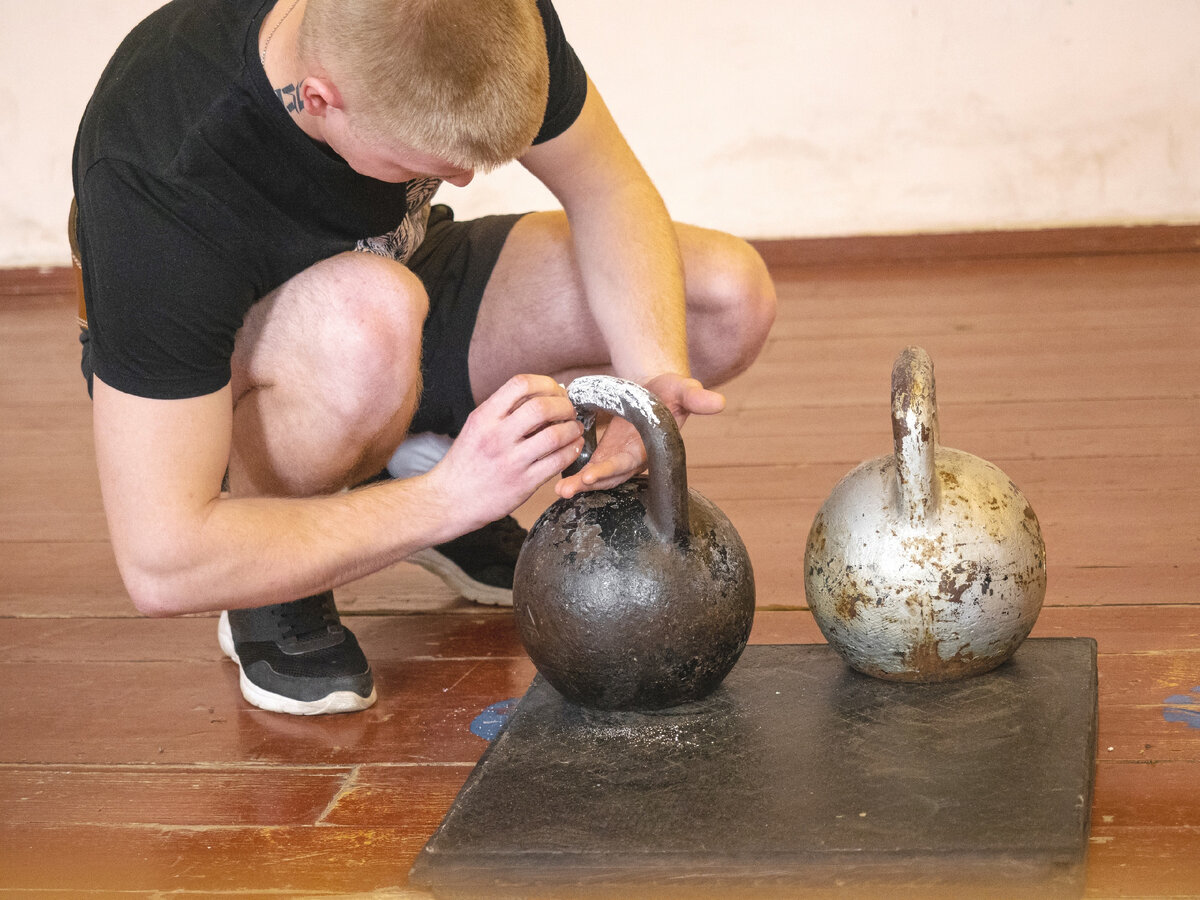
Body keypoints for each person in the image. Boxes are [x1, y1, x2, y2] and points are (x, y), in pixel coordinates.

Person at [71, 0, 776, 716]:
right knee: (366, 318)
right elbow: (162, 561)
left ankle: (397, 454)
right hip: (220, 386)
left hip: (393, 291)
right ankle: (281, 571)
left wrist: (646, 376)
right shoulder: (161, 167)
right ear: (320, 98)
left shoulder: (483, 13)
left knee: (721, 298)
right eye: (422, 161)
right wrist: (450, 499)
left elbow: (609, 187)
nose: (462, 181)